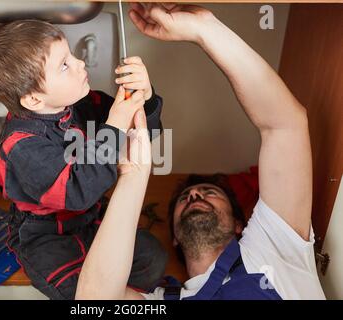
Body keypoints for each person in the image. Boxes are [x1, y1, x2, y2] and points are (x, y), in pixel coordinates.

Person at [76, 3, 325, 300]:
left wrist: (204, 28)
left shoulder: (272, 249)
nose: (194, 196)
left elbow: (285, 125)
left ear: (239, 225)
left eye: (208, 192)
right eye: (186, 198)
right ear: (176, 239)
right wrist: (134, 174)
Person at [0, 19, 167, 300]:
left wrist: (143, 98)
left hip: (91, 219)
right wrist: (114, 125)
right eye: (64, 65)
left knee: (153, 259)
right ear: (34, 100)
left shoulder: (82, 104)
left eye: (72, 55)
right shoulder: (21, 147)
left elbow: (143, 134)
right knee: (78, 292)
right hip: (47, 238)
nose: (80, 64)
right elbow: (78, 190)